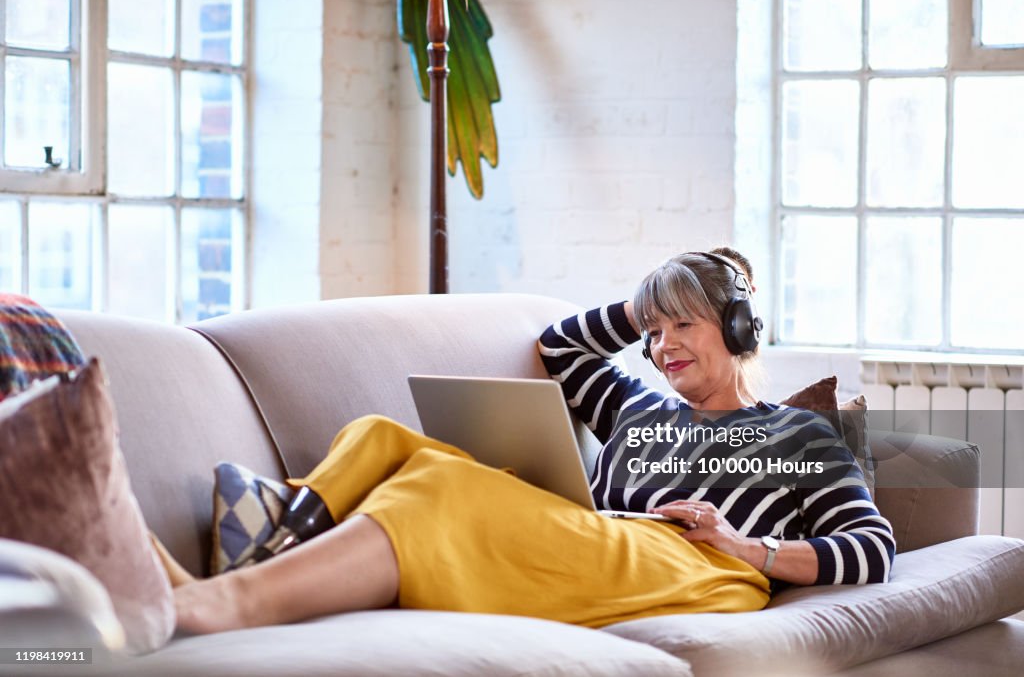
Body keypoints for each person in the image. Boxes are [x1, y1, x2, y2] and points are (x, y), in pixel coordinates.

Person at [173, 249, 895, 635]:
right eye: (654, 330)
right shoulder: (638, 412)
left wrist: (745, 546)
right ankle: (277, 534)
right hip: (603, 537)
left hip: (701, 566)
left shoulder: (792, 432)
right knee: (385, 439)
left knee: (439, 488)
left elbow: (873, 547)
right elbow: (561, 348)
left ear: (736, 330)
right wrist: (639, 301)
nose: (663, 346)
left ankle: (221, 602)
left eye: (684, 325)